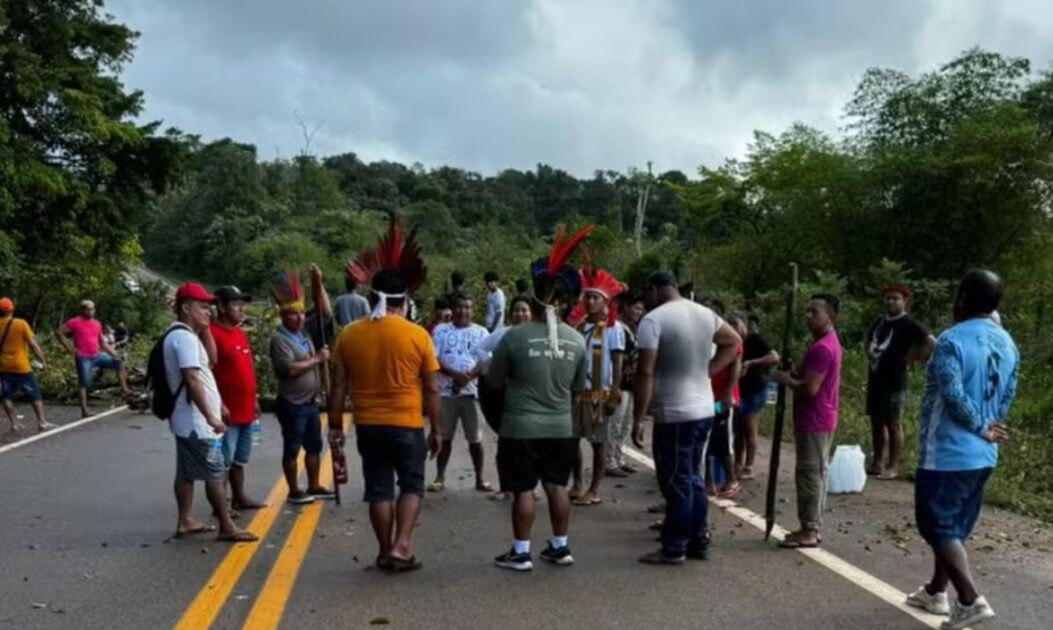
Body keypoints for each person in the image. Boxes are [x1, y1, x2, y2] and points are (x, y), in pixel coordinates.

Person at [906, 269, 1017, 630]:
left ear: (964, 298)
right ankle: (936, 591)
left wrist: (979, 425)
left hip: (946, 452)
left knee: (936, 524)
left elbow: (953, 395)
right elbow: (1008, 392)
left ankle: (969, 599)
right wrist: (990, 426)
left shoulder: (951, 341)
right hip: (983, 455)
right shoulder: (1007, 343)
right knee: (952, 526)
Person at [329, 221, 439, 573]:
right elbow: (433, 387)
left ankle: (383, 550)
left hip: (368, 424)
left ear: (372, 298)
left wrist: (334, 427)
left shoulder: (349, 335)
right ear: (404, 301)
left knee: (378, 488)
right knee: (411, 484)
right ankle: (402, 546)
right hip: (406, 423)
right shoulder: (418, 335)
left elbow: (338, 388)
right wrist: (436, 427)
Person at [489, 225, 591, 571]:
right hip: (561, 428)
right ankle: (560, 547)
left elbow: (494, 379)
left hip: (520, 428)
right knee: (557, 487)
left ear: (532, 299)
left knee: (522, 490)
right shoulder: (577, 341)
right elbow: (578, 390)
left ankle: (521, 552)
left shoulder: (514, 338)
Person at [631, 271, 741, 565]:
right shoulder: (705, 314)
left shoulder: (653, 320)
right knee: (692, 476)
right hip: (703, 408)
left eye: (646, 295)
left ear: (654, 290)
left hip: (674, 412)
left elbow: (645, 372)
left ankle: (675, 545)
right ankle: (698, 537)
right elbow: (734, 341)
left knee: (676, 480)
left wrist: (638, 418)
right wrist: (708, 369)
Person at [164, 283, 257, 543]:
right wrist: (211, 416)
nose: (209, 311)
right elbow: (192, 379)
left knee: (185, 472)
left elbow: (211, 361)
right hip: (196, 421)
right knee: (215, 471)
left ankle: (185, 520)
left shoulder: (183, 335)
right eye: (203, 307)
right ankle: (226, 524)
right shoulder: (184, 339)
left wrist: (204, 329)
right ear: (185, 308)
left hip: (185, 420)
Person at [772, 293, 843, 549]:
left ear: (829, 316)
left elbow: (810, 388)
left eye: (815, 312)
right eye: (808, 311)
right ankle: (811, 525)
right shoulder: (825, 343)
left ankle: (810, 528)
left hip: (815, 418)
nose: (809, 316)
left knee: (810, 473)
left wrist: (786, 380)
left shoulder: (822, 348)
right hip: (820, 416)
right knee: (815, 472)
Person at [269, 270, 335, 505]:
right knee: (292, 447)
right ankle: (294, 489)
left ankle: (314, 484)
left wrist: (319, 284)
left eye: (299, 313)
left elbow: (325, 314)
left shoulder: (304, 333)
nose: (298, 318)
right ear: (283, 316)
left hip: (310, 403)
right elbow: (289, 369)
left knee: (314, 446)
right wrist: (317, 359)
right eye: (292, 314)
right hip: (292, 403)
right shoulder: (280, 340)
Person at [203, 286, 266, 512]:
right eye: (235, 304)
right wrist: (218, 404)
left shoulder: (239, 332)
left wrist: (255, 398)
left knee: (240, 458)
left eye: (242, 303)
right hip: (227, 410)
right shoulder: (210, 334)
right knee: (223, 461)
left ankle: (239, 496)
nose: (242, 308)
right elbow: (206, 372)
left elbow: (247, 367)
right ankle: (222, 506)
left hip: (246, 408)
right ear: (220, 306)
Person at [865, 285, 935, 479]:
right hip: (875, 376)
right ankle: (877, 461)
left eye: (895, 298)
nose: (891, 302)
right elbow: (868, 338)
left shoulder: (909, 323)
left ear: (905, 302)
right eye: (887, 298)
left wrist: (913, 358)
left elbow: (930, 341)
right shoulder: (879, 322)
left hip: (895, 380)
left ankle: (893, 466)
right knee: (876, 421)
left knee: (893, 422)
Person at [569, 266, 624, 506]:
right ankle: (578, 482)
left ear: (605, 302)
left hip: (599, 394)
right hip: (577, 393)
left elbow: (617, 361)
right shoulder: (579, 326)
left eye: (596, 298)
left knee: (598, 442)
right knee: (572, 440)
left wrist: (614, 392)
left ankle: (595, 488)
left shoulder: (613, 328)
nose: (590, 302)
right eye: (587, 297)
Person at [428, 292, 492, 493]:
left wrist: (467, 378)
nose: (463, 310)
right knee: (444, 438)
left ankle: (480, 479)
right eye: (459, 306)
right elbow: (434, 359)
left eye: (467, 307)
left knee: (475, 439)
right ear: (453, 308)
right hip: (446, 394)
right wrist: (455, 375)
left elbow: (487, 361)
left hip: (472, 394)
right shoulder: (440, 330)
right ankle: (439, 477)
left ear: (473, 311)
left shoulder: (482, 332)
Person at [475, 295, 533, 502]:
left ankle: (528, 488)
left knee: (529, 446)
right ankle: (506, 487)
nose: (521, 314)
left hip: (530, 399)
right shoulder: (503, 334)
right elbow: (480, 348)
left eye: (525, 310)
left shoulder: (538, 336)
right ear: (511, 314)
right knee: (506, 444)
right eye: (517, 310)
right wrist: (491, 363)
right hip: (506, 398)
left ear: (532, 313)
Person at [55, 300, 131, 417]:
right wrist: (69, 348)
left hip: (97, 355)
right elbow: (59, 332)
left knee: (118, 362)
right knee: (84, 383)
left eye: (92, 309)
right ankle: (84, 411)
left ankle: (124, 390)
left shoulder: (97, 323)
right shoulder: (75, 322)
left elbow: (103, 343)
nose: (91, 311)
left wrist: (114, 354)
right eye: (88, 309)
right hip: (83, 357)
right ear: (82, 310)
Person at [733, 314, 779, 480]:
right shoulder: (731, 340)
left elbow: (774, 357)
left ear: (744, 325)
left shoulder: (755, 340)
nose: (733, 329)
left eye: (736, 325)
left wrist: (752, 363)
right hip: (738, 390)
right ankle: (737, 462)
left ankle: (749, 465)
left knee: (750, 429)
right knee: (738, 430)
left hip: (755, 389)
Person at [0, 298, 53, 432]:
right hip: (21, 366)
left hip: (3, 366)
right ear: (12, 309)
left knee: (7, 396)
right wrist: (43, 360)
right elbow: (33, 345)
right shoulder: (21, 324)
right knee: (34, 394)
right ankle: (42, 421)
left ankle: (14, 424)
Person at [706, 310, 743, 499]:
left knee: (723, 442)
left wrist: (727, 392)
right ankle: (709, 481)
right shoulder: (709, 342)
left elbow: (735, 369)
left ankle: (731, 480)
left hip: (723, 400)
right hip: (707, 398)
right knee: (707, 441)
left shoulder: (733, 343)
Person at [606, 292, 644, 477]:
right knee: (615, 423)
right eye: (636, 307)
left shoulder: (633, 328)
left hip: (631, 384)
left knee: (625, 424)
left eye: (640, 308)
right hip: (620, 383)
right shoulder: (617, 327)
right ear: (626, 307)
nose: (639, 311)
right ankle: (609, 461)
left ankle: (619, 458)